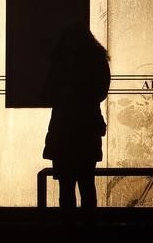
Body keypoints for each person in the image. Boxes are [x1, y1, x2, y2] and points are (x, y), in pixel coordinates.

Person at [41, 23, 110, 224]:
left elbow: (47, 93)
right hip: (88, 129)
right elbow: (101, 92)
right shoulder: (96, 59)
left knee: (66, 186)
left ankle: (68, 227)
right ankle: (88, 227)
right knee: (87, 184)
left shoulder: (61, 61)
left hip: (63, 130)